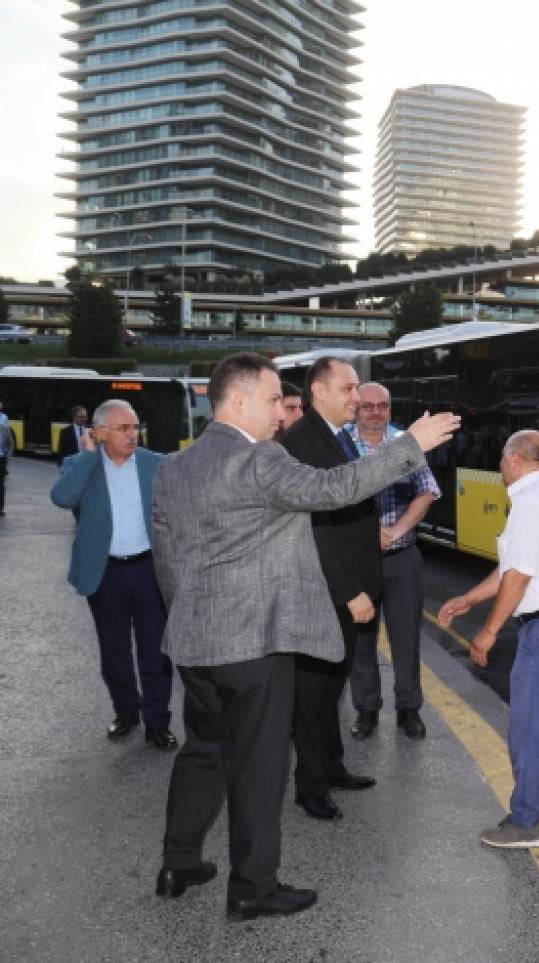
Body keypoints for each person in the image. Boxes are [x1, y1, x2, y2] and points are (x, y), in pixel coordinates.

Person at [149, 352, 458, 922]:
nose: (280, 412)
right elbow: (336, 488)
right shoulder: (260, 460)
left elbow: (167, 563)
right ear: (237, 401)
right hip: (255, 646)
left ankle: (178, 863)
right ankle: (252, 888)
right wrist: (408, 444)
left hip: (195, 642)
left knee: (202, 753)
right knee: (260, 768)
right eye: (272, 400)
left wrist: (189, 618)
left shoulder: (174, 467)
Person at [438, 429, 539, 849]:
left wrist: (488, 631)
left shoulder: (529, 504)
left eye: (501, 458)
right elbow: (514, 567)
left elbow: (519, 577)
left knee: (531, 731)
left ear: (514, 459)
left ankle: (526, 822)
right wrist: (468, 599)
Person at [280, 358, 381, 821]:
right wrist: (348, 591)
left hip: (345, 587)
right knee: (314, 695)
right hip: (324, 593)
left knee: (332, 687)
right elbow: (316, 529)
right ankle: (311, 785)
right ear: (319, 391)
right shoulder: (302, 442)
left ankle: (332, 768)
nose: (356, 397)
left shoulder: (334, 437)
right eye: (349, 388)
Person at [49, 399, 174, 748]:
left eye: (135, 427)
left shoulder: (156, 464)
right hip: (105, 573)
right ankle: (126, 712)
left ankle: (157, 721)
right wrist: (88, 457)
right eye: (123, 428)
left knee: (156, 650)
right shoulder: (81, 465)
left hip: (149, 569)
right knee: (114, 648)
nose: (133, 435)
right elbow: (61, 498)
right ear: (99, 432)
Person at [347, 382, 440, 741]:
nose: (375, 412)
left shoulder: (406, 443)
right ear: (357, 409)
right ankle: (366, 710)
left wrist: (395, 531)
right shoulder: (341, 445)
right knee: (361, 638)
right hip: (359, 560)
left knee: (407, 638)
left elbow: (427, 491)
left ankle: (408, 709)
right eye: (367, 406)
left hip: (402, 557)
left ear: (389, 408)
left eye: (381, 406)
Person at [0, 416, 13, 516]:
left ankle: (0, 508)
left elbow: (10, 444)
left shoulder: (4, 429)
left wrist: (7, 457)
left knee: (0, 485)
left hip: (1, 459)